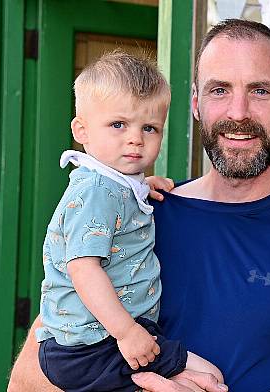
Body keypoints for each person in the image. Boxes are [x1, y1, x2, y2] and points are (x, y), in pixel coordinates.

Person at [9, 19, 270, 392]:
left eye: (260, 90)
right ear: (196, 103)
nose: (238, 111)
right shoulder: (137, 214)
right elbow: (28, 382)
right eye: (219, 90)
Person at [33, 51, 222, 392]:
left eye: (149, 127)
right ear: (82, 130)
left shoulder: (115, 185)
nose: (135, 138)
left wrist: (141, 187)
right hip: (94, 345)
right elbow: (83, 268)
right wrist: (127, 332)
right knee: (209, 378)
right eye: (118, 124)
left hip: (101, 339)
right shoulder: (96, 190)